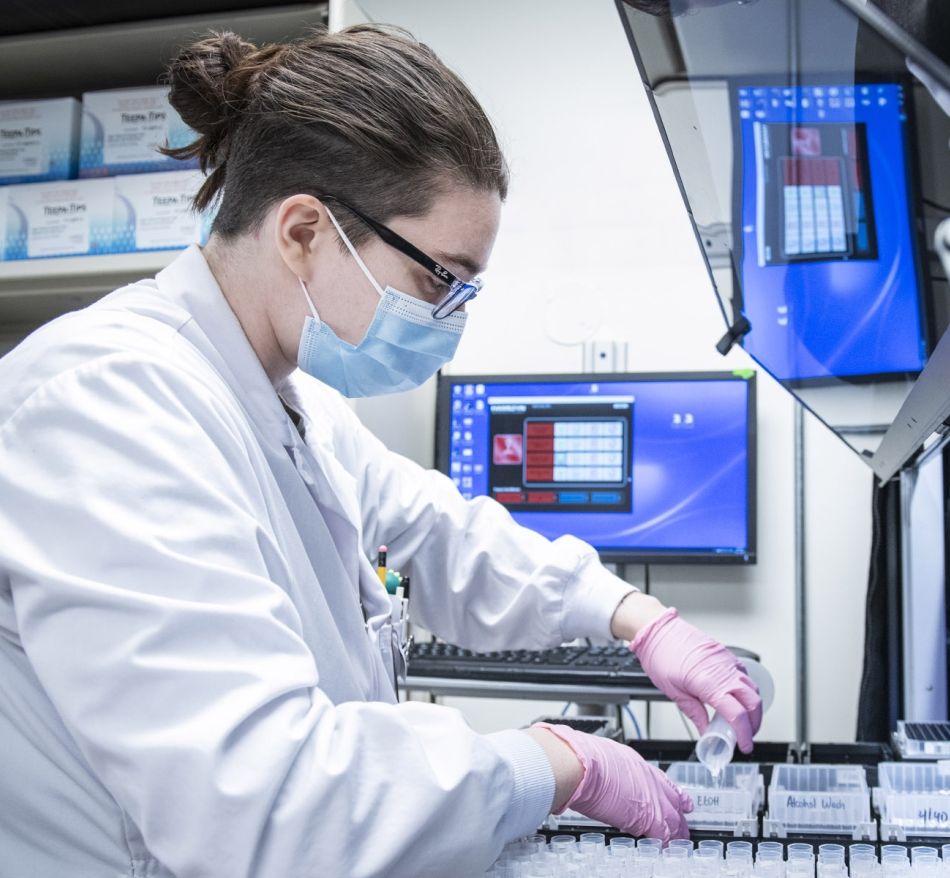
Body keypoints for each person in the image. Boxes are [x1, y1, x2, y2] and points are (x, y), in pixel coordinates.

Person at [0, 25, 762, 878]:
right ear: (302, 232)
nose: (452, 320)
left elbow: (439, 533)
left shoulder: (290, 400)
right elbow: (270, 806)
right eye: (440, 278)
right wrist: (556, 762)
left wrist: (635, 617)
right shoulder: (107, 403)